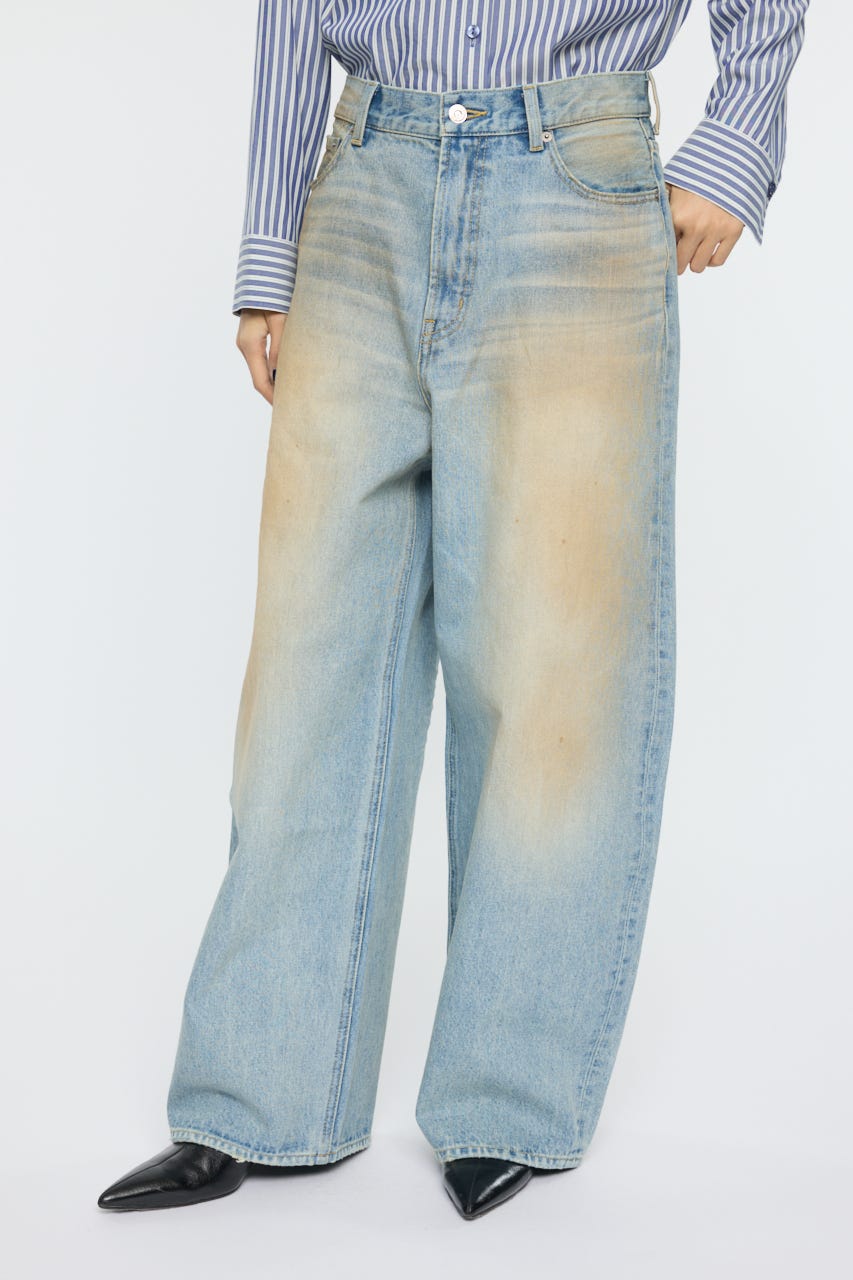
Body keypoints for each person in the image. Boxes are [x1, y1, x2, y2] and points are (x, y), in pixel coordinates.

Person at [98, 1, 809, 1221]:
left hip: (572, 174)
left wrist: (736, 134)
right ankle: (261, 1093)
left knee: (550, 667)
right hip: (363, 172)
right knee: (309, 663)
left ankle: (505, 1096)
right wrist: (270, 244)